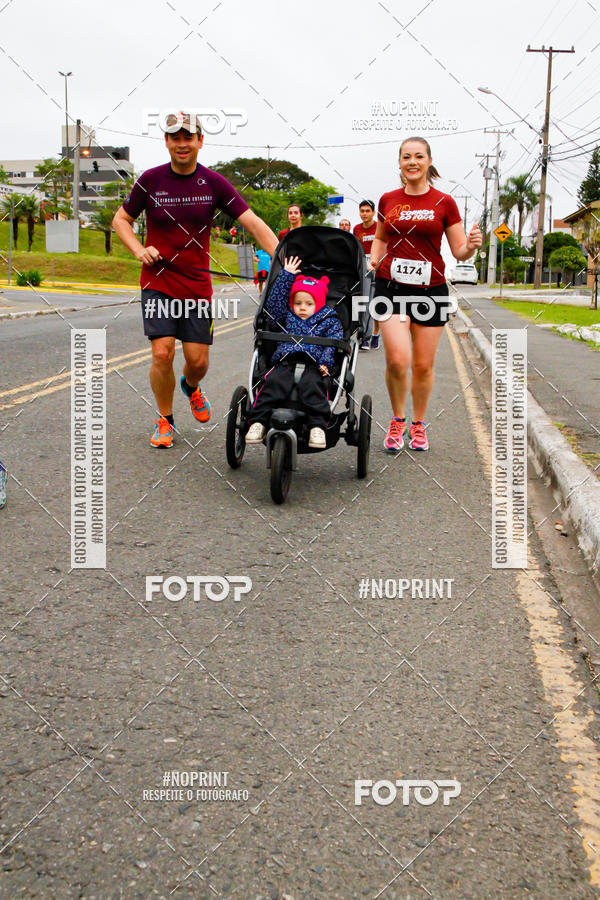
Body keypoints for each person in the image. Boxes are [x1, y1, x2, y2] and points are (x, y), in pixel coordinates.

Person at [113, 112, 277, 449]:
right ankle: (165, 418)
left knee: (198, 361)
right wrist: (138, 249)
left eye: (188, 137)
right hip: (157, 281)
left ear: (200, 141)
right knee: (162, 352)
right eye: (175, 137)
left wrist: (283, 256)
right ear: (167, 142)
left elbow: (253, 222)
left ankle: (190, 386)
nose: (182, 144)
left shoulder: (213, 183)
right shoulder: (151, 180)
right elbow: (121, 220)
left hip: (197, 285)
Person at [369, 136, 482, 453]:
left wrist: (470, 247)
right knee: (396, 359)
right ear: (400, 163)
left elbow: (459, 250)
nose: (412, 162)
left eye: (419, 156)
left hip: (431, 290)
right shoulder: (387, 200)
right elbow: (380, 238)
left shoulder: (444, 202)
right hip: (389, 287)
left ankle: (418, 424)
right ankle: (398, 419)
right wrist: (374, 258)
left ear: (429, 161)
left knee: (422, 365)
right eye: (406, 157)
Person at [245, 256, 343, 449]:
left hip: (313, 364)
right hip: (284, 361)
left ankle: (317, 426)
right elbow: (273, 307)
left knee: (314, 388)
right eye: (298, 303)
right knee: (271, 384)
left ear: (320, 303)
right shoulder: (286, 318)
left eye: (308, 303)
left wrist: (325, 362)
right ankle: (259, 422)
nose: (302, 308)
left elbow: (332, 344)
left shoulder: (329, 320)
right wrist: (286, 276)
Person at [353, 200, 380, 350]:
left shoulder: (379, 228)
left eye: (367, 211)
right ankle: (363, 336)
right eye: (362, 211)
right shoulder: (357, 229)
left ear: (373, 213)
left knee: (374, 306)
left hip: (377, 270)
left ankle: (374, 334)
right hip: (362, 269)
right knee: (362, 303)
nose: (364, 214)